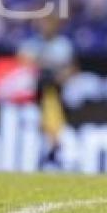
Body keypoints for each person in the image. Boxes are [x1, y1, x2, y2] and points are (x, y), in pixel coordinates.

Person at [17, 13, 79, 169]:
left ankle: (55, 151)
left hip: (57, 94)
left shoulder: (63, 45)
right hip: (32, 96)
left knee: (53, 108)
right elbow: (21, 64)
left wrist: (60, 75)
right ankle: (43, 153)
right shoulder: (31, 44)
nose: (46, 27)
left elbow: (72, 69)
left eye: (49, 23)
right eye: (43, 23)